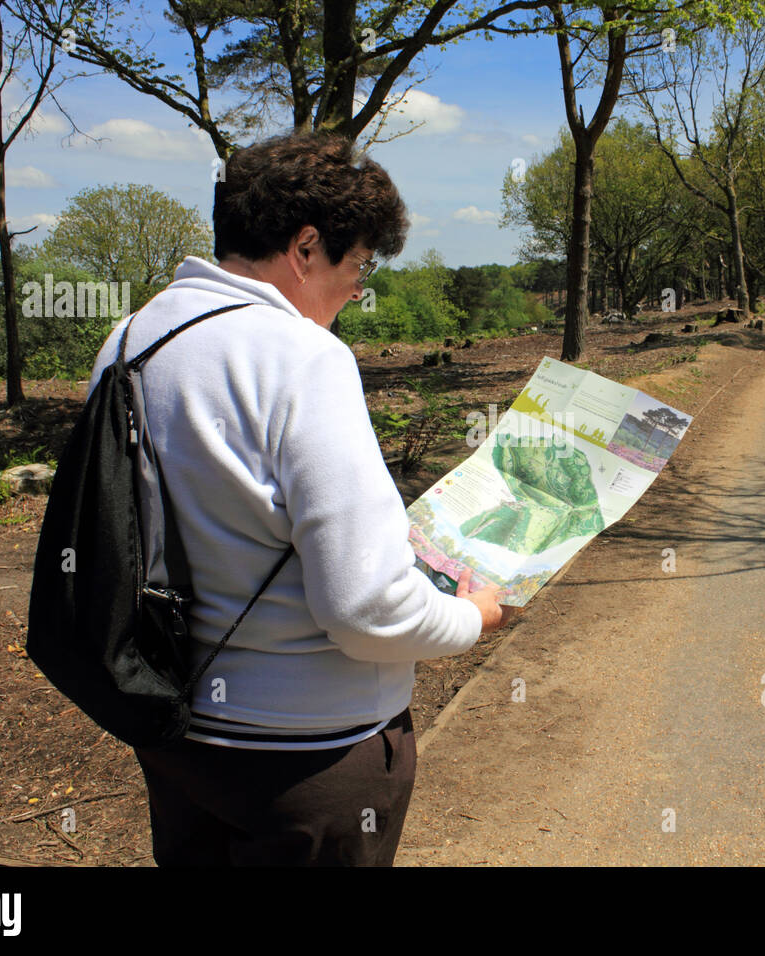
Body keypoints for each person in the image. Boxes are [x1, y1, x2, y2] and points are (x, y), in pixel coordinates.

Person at [88, 131, 513, 866]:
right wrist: (470, 618)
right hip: (310, 759)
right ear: (306, 246)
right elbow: (365, 610)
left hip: (180, 737)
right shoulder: (305, 358)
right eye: (359, 264)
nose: (359, 288)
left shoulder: (131, 340)